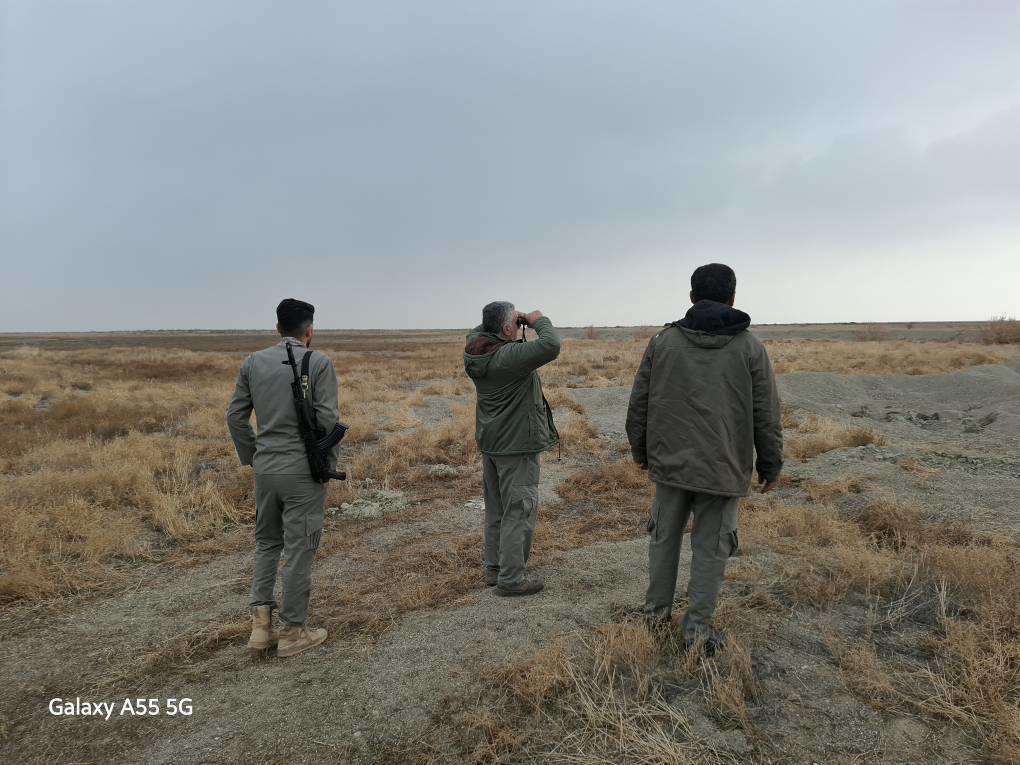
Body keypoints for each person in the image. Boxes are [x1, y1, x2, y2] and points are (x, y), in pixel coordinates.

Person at [625, 264, 783, 653]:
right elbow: (767, 413)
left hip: (670, 464)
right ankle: (697, 633)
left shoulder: (663, 342)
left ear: (692, 296)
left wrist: (641, 451)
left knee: (663, 541)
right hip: (723, 468)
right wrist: (770, 465)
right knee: (711, 550)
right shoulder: (750, 348)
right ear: (732, 297)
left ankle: (654, 617)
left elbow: (639, 402)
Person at [227, 298, 340, 658]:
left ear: (277, 329)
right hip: (302, 472)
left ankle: (261, 628)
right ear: (310, 331)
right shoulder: (318, 362)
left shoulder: (253, 362)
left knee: (267, 543)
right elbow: (327, 421)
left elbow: (235, 417)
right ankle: (293, 631)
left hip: (266, 470)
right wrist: (324, 466)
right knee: (300, 550)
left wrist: (253, 457)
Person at [464, 302, 561, 596]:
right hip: (517, 447)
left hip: (493, 444)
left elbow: (478, 329)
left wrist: (511, 321)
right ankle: (511, 579)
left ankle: (495, 569)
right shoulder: (508, 357)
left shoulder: (476, 349)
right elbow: (551, 345)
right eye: (514, 322)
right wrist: (537, 320)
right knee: (519, 510)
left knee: (497, 510)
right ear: (507, 329)